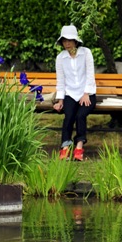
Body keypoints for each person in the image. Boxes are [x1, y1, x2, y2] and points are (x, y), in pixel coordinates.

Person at [53, 25, 96, 161]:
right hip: (70, 94)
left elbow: (90, 74)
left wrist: (86, 93)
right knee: (69, 115)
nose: (67, 43)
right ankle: (65, 147)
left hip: (87, 93)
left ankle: (79, 146)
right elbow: (61, 80)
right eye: (64, 40)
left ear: (76, 41)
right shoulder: (60, 58)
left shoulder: (86, 53)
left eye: (70, 40)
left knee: (80, 115)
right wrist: (60, 100)